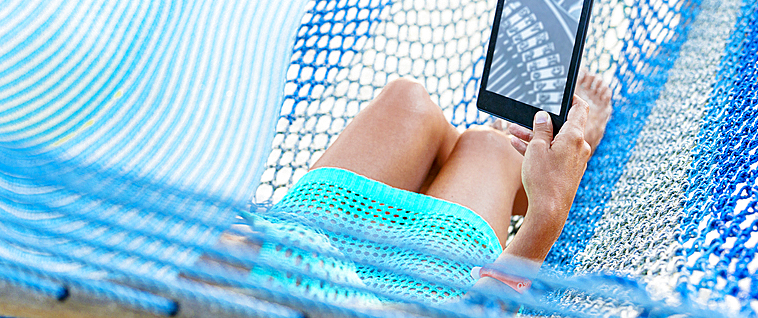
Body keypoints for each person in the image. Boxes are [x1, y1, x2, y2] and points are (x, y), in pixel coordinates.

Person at [237, 70, 613, 304]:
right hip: (406, 302)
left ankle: (470, 157)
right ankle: (512, 162)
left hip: (287, 252)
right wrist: (548, 213)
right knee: (490, 148)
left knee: (408, 98)